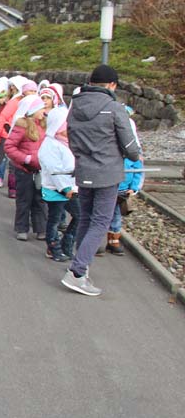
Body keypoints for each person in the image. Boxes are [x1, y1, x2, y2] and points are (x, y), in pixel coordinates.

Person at [62, 64, 140, 296]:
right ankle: (76, 272)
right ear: (112, 85)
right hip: (107, 173)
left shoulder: (75, 106)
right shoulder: (114, 108)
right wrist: (130, 154)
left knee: (86, 218)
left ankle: (81, 270)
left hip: (84, 170)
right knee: (101, 222)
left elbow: (71, 139)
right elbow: (131, 148)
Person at [39, 107, 80, 261]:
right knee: (54, 219)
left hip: (72, 188)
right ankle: (53, 246)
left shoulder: (68, 144)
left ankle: (67, 243)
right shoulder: (50, 145)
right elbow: (54, 170)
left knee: (79, 216)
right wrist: (65, 188)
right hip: (56, 189)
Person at [4, 94, 47, 241]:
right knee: (24, 199)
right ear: (33, 109)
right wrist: (26, 158)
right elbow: (9, 146)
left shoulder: (43, 124)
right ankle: (22, 228)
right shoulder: (21, 126)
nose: (44, 111)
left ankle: (41, 228)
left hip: (40, 170)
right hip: (24, 170)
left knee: (40, 200)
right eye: (41, 108)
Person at [106, 105, 144, 256]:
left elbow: (137, 170)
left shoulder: (132, 152)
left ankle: (113, 238)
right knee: (104, 213)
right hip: (108, 185)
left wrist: (134, 188)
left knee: (115, 214)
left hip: (122, 188)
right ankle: (103, 239)